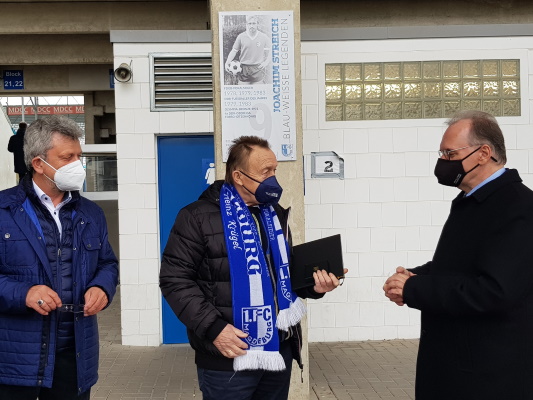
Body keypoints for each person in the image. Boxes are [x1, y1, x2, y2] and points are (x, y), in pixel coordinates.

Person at [160, 136, 346, 400]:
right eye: (265, 172)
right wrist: (214, 329)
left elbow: (281, 276)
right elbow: (174, 279)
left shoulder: (274, 213)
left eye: (274, 170)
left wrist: (315, 287)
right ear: (238, 176)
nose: (273, 178)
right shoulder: (196, 217)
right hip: (230, 356)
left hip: (278, 350)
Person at [383, 110, 533, 400]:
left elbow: (495, 290)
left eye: (450, 153)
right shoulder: (474, 200)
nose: (443, 161)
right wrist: (415, 276)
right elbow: (462, 265)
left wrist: (416, 289)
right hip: (459, 368)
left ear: (483, 153)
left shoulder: (517, 207)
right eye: (442, 153)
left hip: (488, 376)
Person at [0, 115, 119, 399]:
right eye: (68, 157)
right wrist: (24, 293)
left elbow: (108, 263)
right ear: (38, 163)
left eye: (79, 156)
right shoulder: (4, 211)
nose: (78, 164)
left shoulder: (91, 214)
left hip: (74, 358)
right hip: (17, 361)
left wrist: (102, 287)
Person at [224, 15, 271, 85]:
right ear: (247, 25)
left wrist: (266, 62)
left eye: (254, 23)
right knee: (243, 93)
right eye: (250, 23)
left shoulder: (263, 37)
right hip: (243, 69)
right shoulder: (241, 36)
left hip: (257, 69)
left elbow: (273, 49)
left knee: (258, 93)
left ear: (257, 24)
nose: (252, 25)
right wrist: (227, 62)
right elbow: (234, 51)